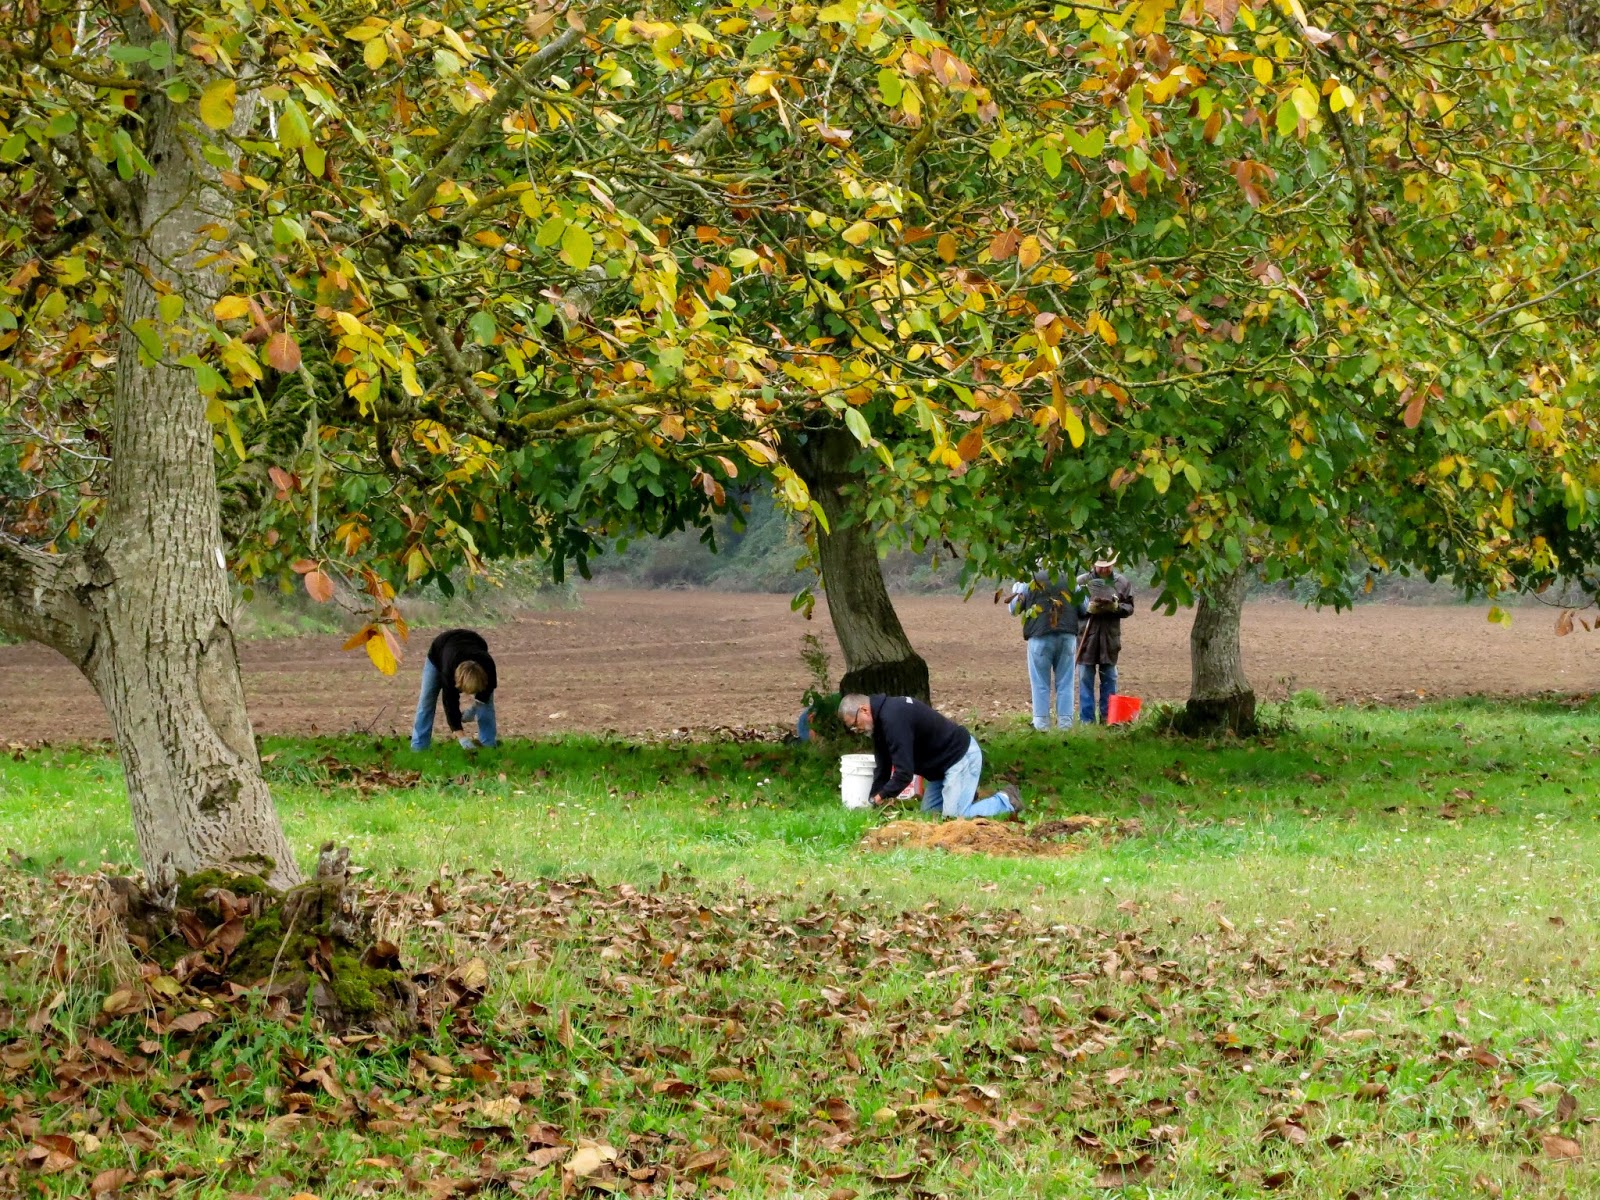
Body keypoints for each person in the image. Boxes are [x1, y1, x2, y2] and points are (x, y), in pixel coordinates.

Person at [839, 693, 1022, 819]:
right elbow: (883, 767)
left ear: (863, 709)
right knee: (930, 817)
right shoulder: (880, 724)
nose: (857, 730)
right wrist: (874, 803)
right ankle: (963, 796)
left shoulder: (893, 719)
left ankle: (1005, 800)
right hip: (940, 769)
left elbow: (904, 773)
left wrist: (879, 798)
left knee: (955, 819)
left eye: (855, 724)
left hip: (960, 757)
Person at [1009, 564, 1079, 730]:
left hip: (1039, 635)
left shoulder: (1029, 579)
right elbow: (1084, 606)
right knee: (1066, 682)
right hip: (1067, 635)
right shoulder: (1069, 578)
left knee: (1040, 682)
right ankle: (1065, 725)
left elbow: (1014, 609)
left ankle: (1041, 725)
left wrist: (1017, 587)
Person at [411, 628, 498, 751]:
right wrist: (462, 738)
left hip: (473, 642)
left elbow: (487, 691)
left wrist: (474, 709)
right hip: (439, 651)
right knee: (427, 700)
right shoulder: (449, 673)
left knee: (486, 706)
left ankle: (489, 747)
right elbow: (450, 704)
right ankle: (419, 747)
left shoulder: (488, 666)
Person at [1076, 552, 1134, 725]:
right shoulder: (1081, 582)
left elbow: (1129, 607)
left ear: (1113, 564)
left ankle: (1108, 717)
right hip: (1086, 638)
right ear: (1094, 564)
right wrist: (1087, 609)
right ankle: (1087, 720)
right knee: (1085, 679)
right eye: (1100, 565)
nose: (1104, 569)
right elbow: (1072, 608)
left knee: (1110, 678)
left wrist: (1116, 607)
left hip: (1110, 639)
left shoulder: (1122, 582)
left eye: (1107, 565)